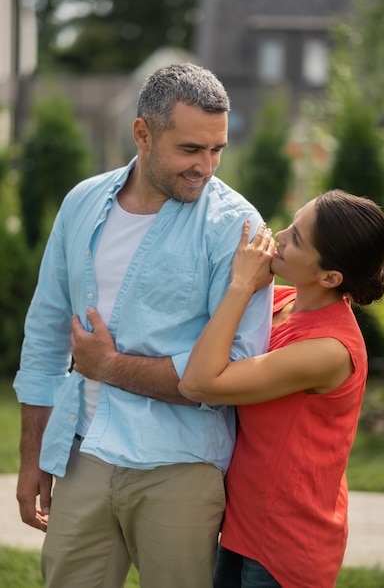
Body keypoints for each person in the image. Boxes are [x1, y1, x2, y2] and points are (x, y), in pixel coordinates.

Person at [13, 62, 273, 588]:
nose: (207, 167)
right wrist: (33, 456)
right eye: (190, 149)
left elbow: (236, 373)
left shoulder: (237, 228)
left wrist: (108, 366)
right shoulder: (82, 203)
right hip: (83, 452)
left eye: (217, 149)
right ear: (142, 134)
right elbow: (43, 336)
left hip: (180, 467)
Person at [178, 189, 384, 588]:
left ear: (330, 277)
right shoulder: (282, 303)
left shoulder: (329, 350)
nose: (279, 234)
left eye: (296, 238)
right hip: (243, 522)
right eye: (292, 223)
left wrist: (242, 287)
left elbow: (199, 383)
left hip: (287, 543)